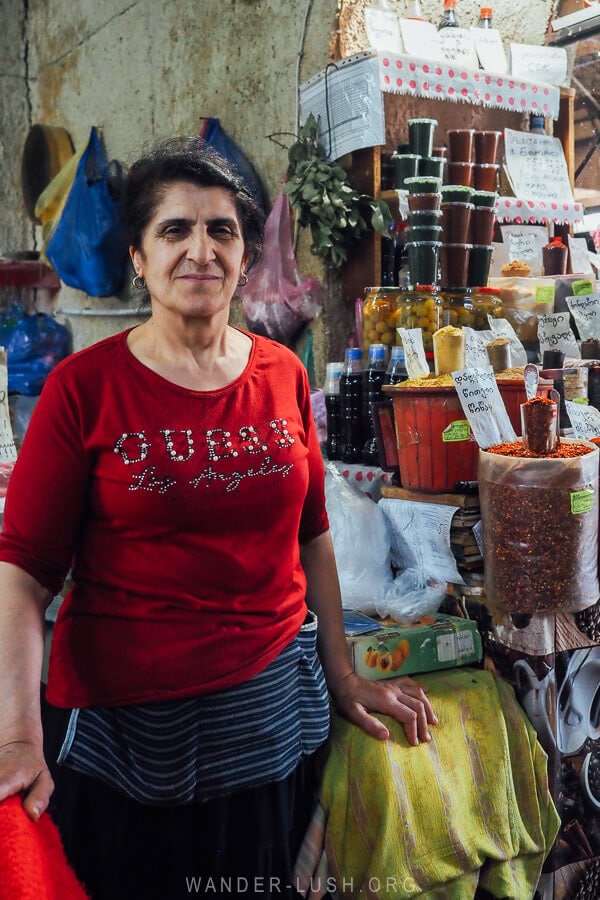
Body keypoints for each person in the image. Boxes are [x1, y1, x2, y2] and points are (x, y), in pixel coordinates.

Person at [0, 136, 437, 899]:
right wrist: (16, 735)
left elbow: (313, 536)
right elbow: (23, 580)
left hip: (266, 728)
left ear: (244, 256)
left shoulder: (283, 374)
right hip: (124, 739)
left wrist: (344, 674)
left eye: (221, 230)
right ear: (137, 256)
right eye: (174, 230)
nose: (200, 250)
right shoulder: (83, 391)